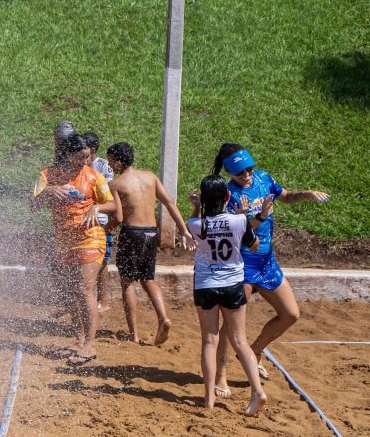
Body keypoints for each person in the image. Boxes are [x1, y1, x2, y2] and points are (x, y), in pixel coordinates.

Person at [211, 143, 330, 393]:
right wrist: (262, 216)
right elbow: (238, 230)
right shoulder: (227, 195)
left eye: (250, 169)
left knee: (290, 314)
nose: (247, 175)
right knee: (232, 326)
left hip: (266, 261)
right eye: (241, 173)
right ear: (229, 173)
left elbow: (285, 196)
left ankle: (255, 350)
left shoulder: (264, 179)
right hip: (241, 265)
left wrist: (305, 193)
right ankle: (220, 375)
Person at [30, 134, 116, 366]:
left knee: (84, 288)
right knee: (70, 292)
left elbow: (113, 205)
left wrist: (96, 207)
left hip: (90, 237)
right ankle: (78, 339)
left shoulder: (93, 176)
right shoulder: (47, 176)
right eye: (80, 158)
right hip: (64, 242)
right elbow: (33, 204)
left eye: (87, 157)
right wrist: (48, 192)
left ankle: (90, 343)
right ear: (68, 155)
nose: (85, 162)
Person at [187, 175, 267, 417]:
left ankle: (209, 398)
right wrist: (244, 215)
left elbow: (198, 220)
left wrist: (197, 205)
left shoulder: (195, 224)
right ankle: (257, 392)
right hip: (233, 284)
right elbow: (254, 247)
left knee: (209, 342)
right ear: (228, 197)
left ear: (203, 198)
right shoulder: (239, 221)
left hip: (205, 284)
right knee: (240, 341)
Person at [105, 142, 194, 345]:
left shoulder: (116, 184)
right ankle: (163, 317)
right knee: (148, 279)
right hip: (151, 234)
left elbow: (118, 218)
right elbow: (170, 203)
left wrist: (102, 230)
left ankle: (133, 335)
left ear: (118, 162)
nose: (109, 165)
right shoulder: (151, 177)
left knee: (127, 281)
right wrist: (184, 231)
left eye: (110, 161)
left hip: (132, 233)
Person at [82, 131, 115, 313]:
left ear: (92, 149)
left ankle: (103, 301)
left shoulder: (102, 166)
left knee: (102, 261)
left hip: (100, 220)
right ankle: (87, 298)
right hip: (83, 220)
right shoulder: (78, 165)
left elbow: (109, 192)